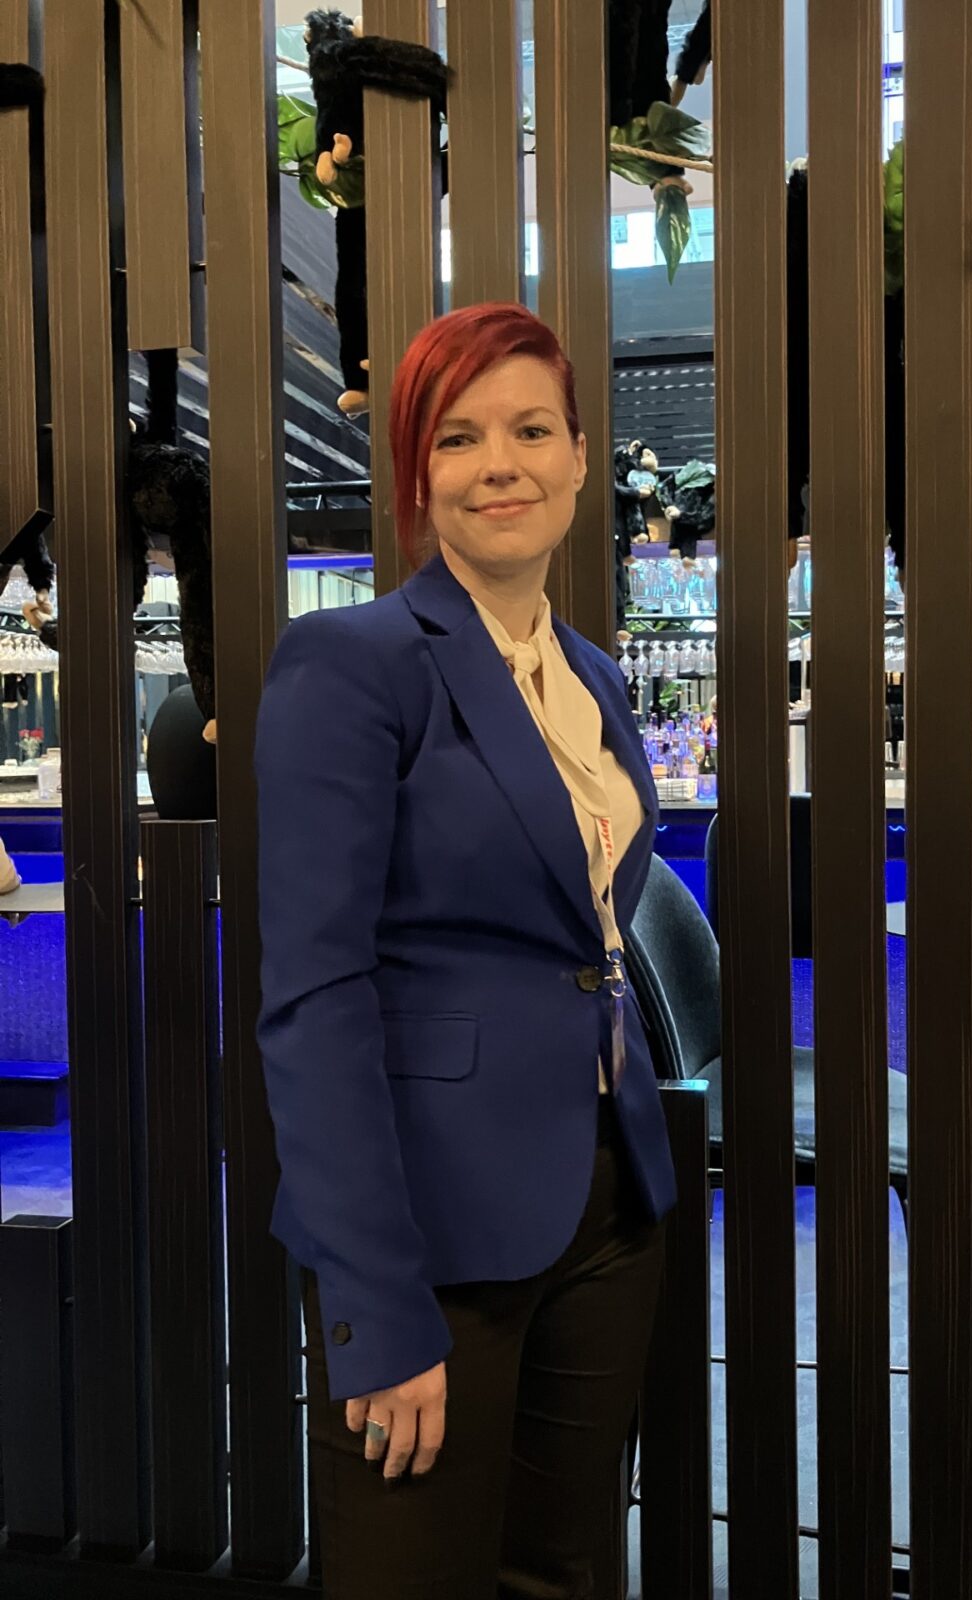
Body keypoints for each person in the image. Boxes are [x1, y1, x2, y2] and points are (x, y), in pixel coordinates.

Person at [255, 302, 676, 1599]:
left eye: (532, 431)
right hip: (429, 1219)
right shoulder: (352, 663)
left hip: (608, 1195)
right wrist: (374, 1300)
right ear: (416, 473)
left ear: (580, 460)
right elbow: (314, 998)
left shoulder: (594, 678)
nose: (502, 463)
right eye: (459, 436)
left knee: (560, 1571)